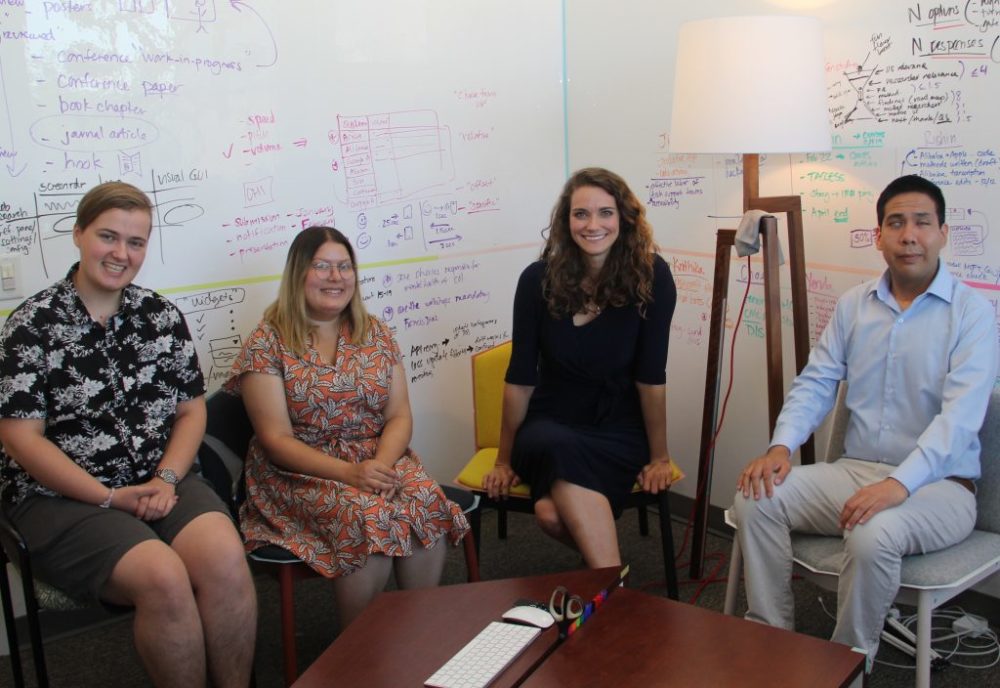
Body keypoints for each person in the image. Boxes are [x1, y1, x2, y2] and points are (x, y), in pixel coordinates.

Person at [731, 174, 999, 665]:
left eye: (922, 222)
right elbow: (816, 382)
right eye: (895, 223)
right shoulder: (855, 305)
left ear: (943, 232)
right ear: (879, 236)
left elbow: (959, 420)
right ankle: (772, 645)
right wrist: (780, 448)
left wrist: (899, 484)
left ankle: (847, 664)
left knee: (873, 534)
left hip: (941, 487)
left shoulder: (973, 314)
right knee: (757, 498)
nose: (909, 235)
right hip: (856, 472)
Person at [0, 181, 257, 688]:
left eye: (135, 242)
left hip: (162, 478)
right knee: (163, 577)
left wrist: (166, 478)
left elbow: (189, 414)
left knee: (226, 559)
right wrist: (109, 497)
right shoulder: (30, 327)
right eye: (108, 237)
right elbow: (20, 440)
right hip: (60, 497)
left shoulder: (160, 317)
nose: (121, 254)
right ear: (78, 235)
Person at [226, 226, 470, 627]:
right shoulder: (267, 342)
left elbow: (399, 415)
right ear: (298, 274)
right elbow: (276, 440)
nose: (336, 277)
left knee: (425, 502)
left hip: (377, 459)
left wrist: (382, 465)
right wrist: (352, 475)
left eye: (344, 267)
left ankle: (420, 632)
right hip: (299, 471)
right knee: (367, 516)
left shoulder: (374, 331)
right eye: (322, 266)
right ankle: (358, 649)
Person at [482, 167, 679, 568]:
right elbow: (520, 378)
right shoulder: (536, 281)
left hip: (619, 426)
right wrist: (503, 460)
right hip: (550, 423)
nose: (593, 225)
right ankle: (613, 587)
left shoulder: (653, 276)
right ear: (565, 221)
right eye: (581, 214)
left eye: (605, 213)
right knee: (557, 445)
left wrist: (659, 456)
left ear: (624, 219)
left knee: (550, 514)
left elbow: (651, 377)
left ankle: (607, 580)